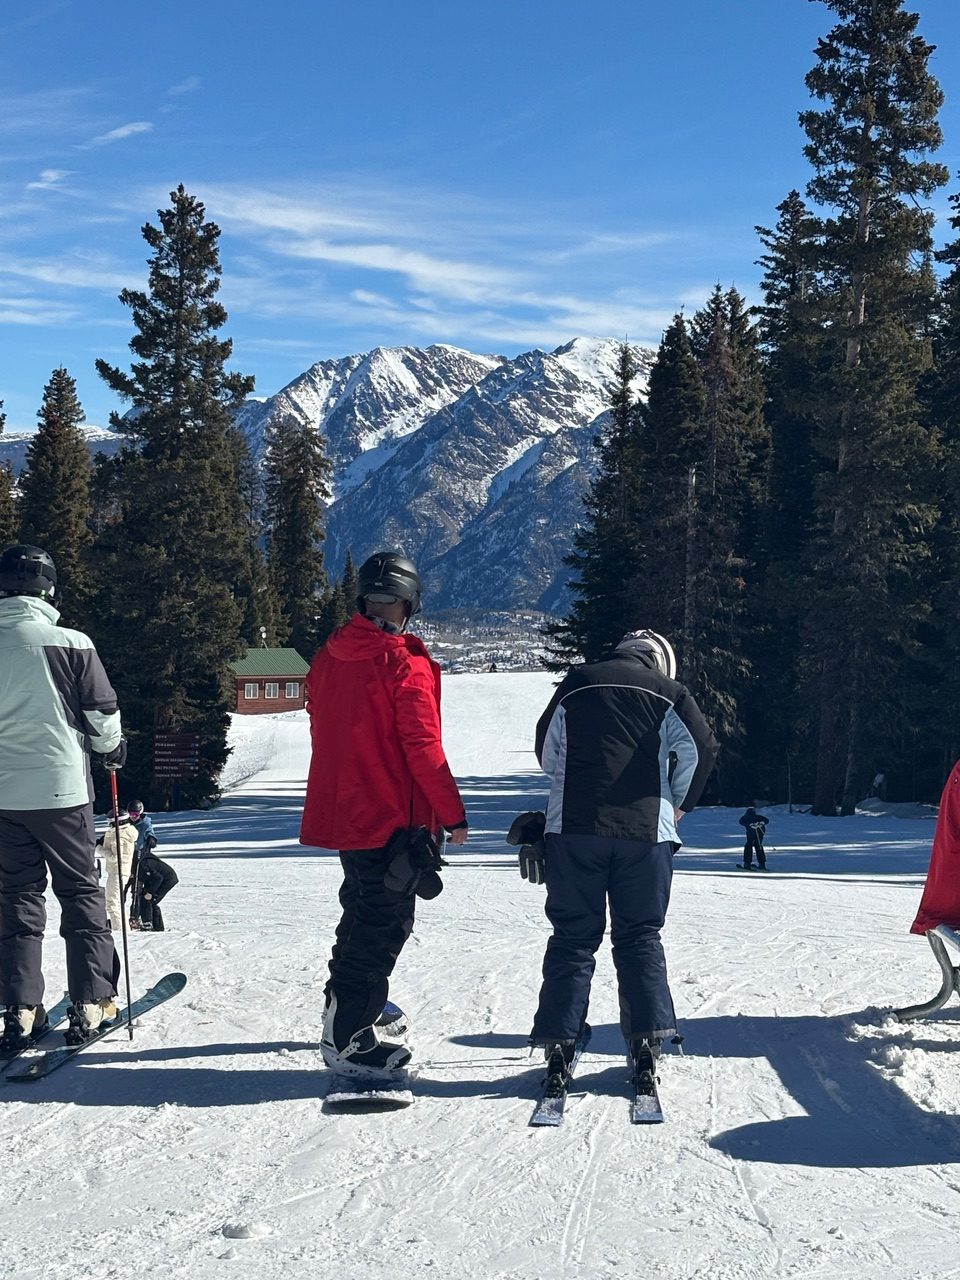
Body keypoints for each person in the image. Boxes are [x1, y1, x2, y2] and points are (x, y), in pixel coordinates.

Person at [300, 550, 468, 1077]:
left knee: (361, 910)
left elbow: (323, 718)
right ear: (409, 602)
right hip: (391, 815)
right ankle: (349, 1036)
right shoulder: (401, 663)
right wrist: (452, 814)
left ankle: (344, 1008)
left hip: (348, 809)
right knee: (382, 924)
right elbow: (422, 746)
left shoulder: (332, 654)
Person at [529, 628, 718, 1087]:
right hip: (646, 833)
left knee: (573, 938)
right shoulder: (670, 692)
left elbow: (547, 752)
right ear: (659, 660)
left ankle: (560, 1042)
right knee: (639, 936)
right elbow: (702, 749)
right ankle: (646, 1041)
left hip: (574, 828)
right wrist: (678, 805)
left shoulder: (577, 681)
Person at [0, 544, 126, 1051]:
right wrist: (112, 750)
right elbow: (102, 713)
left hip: (4, 794)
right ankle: (92, 1000)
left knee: (17, 897)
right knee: (80, 892)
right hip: (62, 791)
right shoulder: (72, 643)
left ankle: (20, 1008)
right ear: (48, 588)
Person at [99, 812, 138, 931]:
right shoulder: (123, 833)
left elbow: (115, 857)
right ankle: (123, 928)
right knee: (116, 902)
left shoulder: (120, 836)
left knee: (112, 903)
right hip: (119, 871)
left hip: (118, 871)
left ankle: (119, 930)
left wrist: (99, 848)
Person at [738, 806, 769, 871]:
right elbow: (766, 820)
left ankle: (747, 863)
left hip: (752, 833)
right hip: (760, 832)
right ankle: (762, 864)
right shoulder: (758, 817)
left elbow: (741, 821)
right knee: (758, 845)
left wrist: (750, 824)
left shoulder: (745, 817)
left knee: (749, 846)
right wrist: (761, 823)